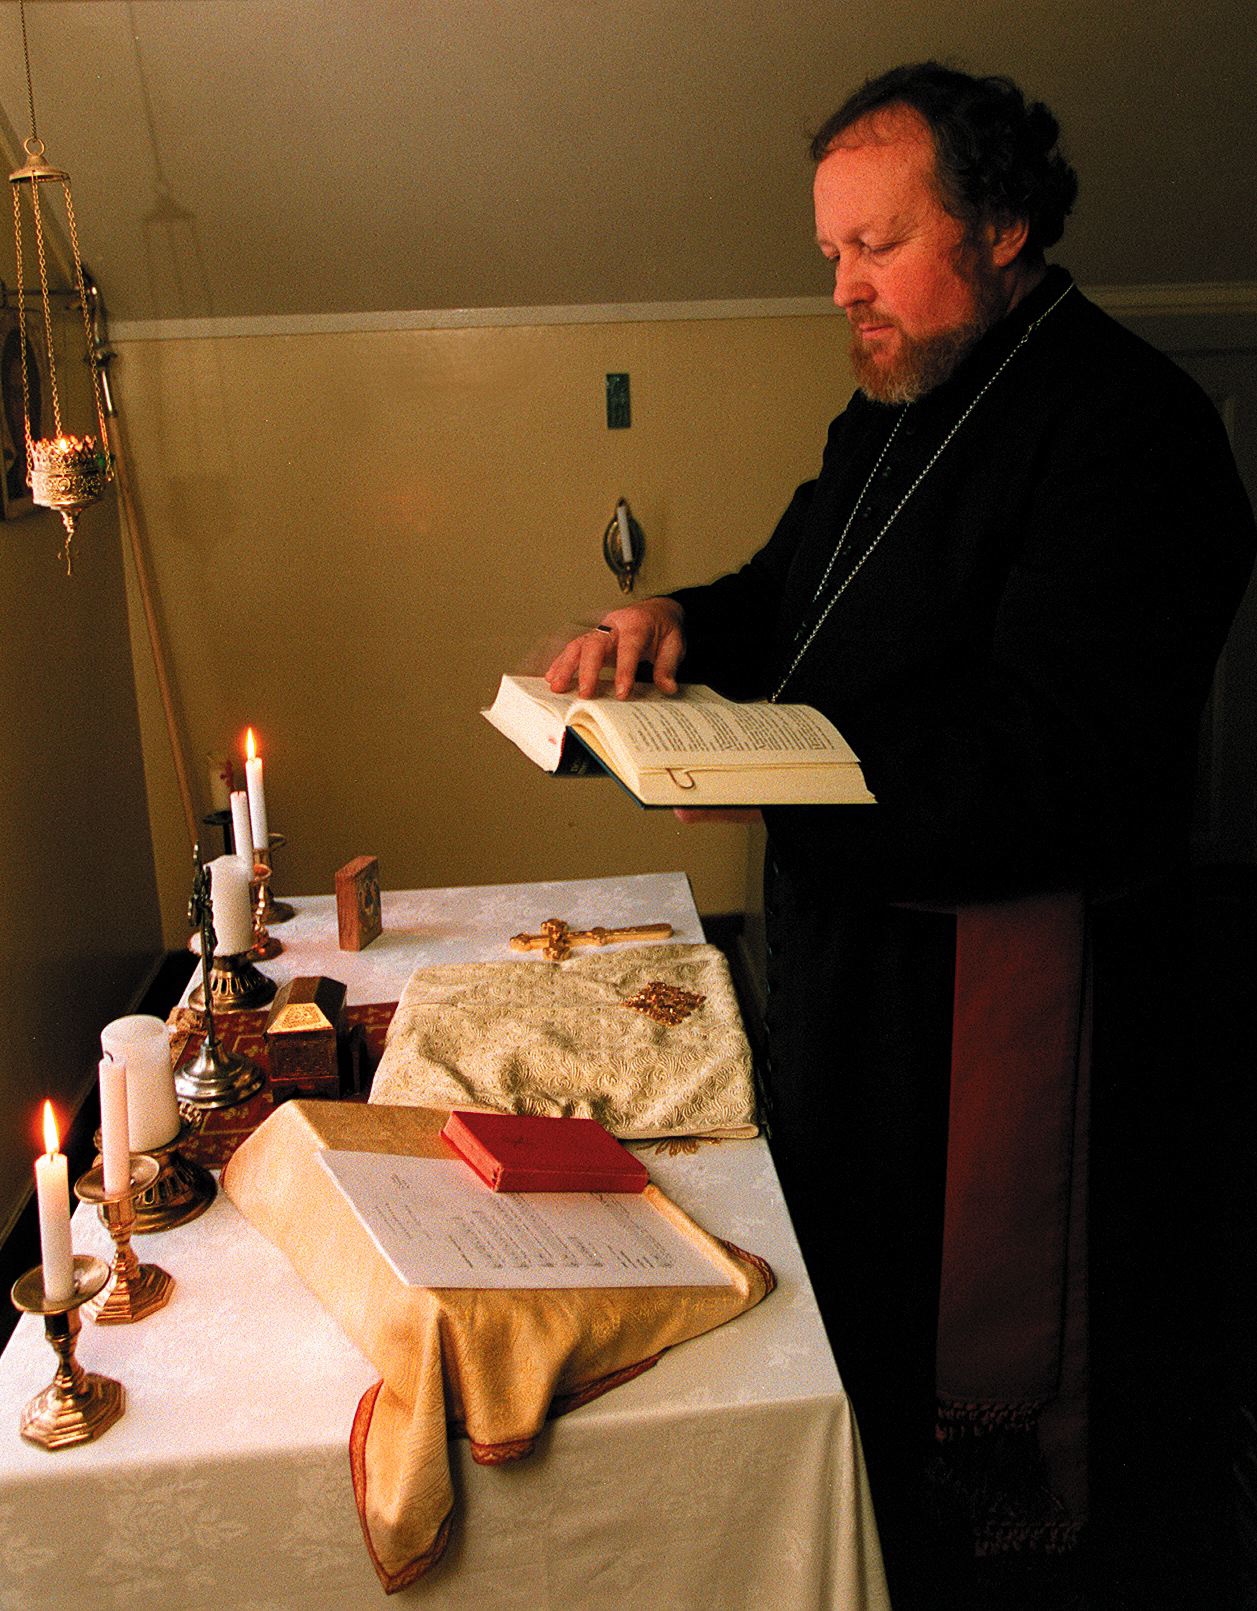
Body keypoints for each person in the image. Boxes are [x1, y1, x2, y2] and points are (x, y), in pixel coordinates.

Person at [546, 62, 1255, 1608]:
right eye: (827, 257)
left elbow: (1056, 768)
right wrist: (667, 618)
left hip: (1018, 992)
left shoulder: (1130, 430)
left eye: (875, 246)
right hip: (864, 954)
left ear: (1000, 224)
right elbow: (791, 590)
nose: (842, 290)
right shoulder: (896, 396)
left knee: (1004, 1362)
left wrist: (775, 776)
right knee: (860, 1286)